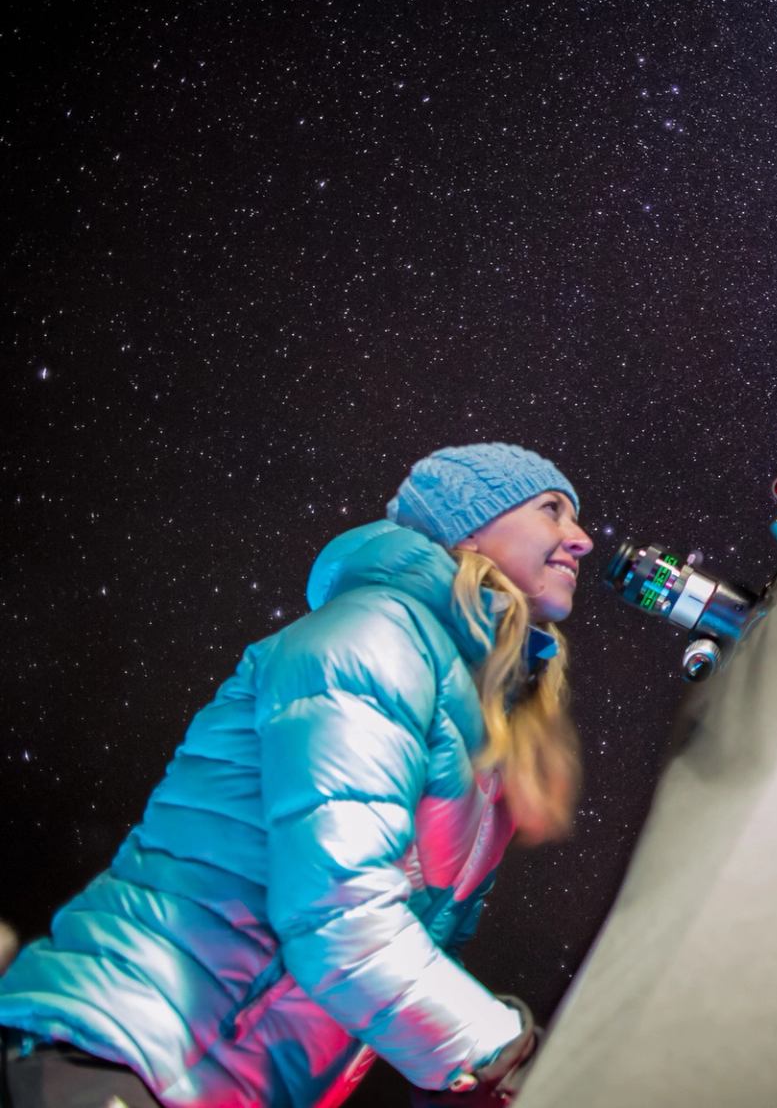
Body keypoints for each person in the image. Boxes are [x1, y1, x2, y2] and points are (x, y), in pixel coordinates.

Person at [0, 444, 595, 1108]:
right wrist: (507, 1054)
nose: (582, 539)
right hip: (115, 1048)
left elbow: (407, 953)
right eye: (552, 510)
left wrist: (485, 1061)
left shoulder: (485, 720)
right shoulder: (375, 636)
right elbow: (341, 915)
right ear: (469, 525)